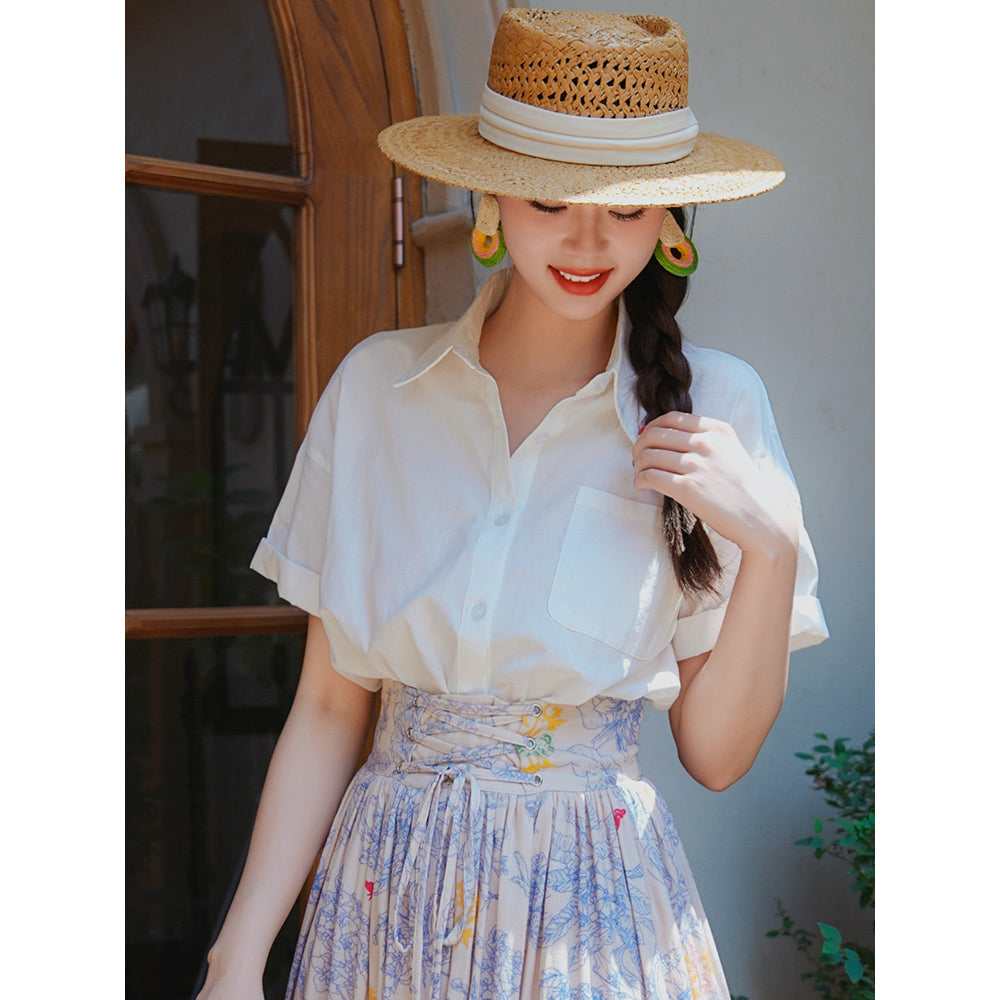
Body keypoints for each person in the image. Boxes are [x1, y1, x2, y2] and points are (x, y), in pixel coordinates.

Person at [196, 9, 828, 1000]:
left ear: (670, 222)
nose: (586, 240)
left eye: (626, 209)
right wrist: (236, 957)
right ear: (489, 197)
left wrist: (773, 544)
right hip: (386, 897)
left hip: (591, 913)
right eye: (548, 199)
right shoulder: (378, 390)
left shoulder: (718, 409)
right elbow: (326, 703)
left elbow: (716, 754)